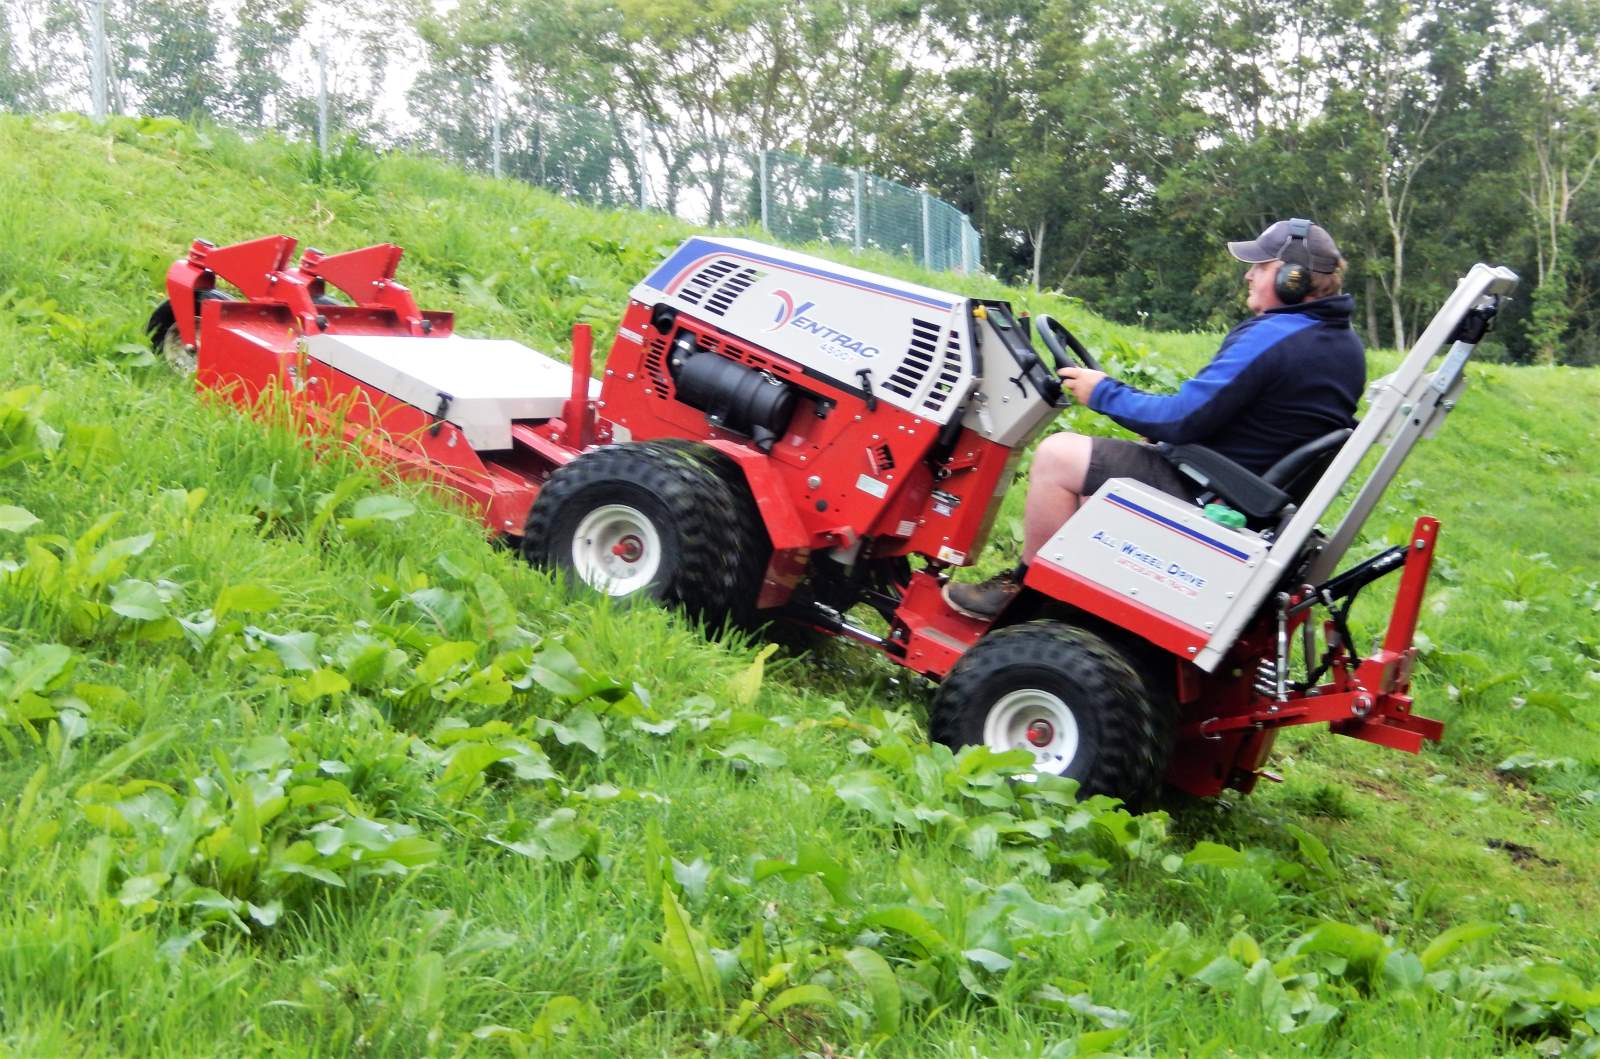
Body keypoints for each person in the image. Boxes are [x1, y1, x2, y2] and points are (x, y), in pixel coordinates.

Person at [943, 218, 1364, 620]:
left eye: (1260, 266)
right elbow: (1244, 418)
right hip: (1247, 489)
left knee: (1057, 456)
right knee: (1098, 486)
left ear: (1293, 279)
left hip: (1215, 490)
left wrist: (1102, 392)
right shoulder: (1343, 344)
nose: (1248, 276)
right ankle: (1075, 602)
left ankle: (1027, 593)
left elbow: (1183, 417)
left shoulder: (1275, 335)